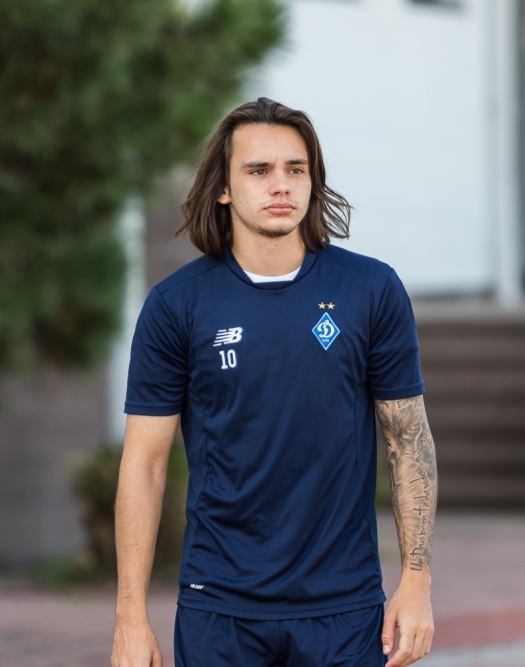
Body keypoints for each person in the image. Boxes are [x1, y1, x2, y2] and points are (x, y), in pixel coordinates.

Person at [112, 97, 438, 667]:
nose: (280, 185)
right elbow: (145, 462)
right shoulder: (176, 306)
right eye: (258, 170)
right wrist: (130, 617)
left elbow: (407, 439)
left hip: (345, 608)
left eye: (296, 169)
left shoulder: (371, 291)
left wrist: (417, 580)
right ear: (224, 188)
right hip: (219, 610)